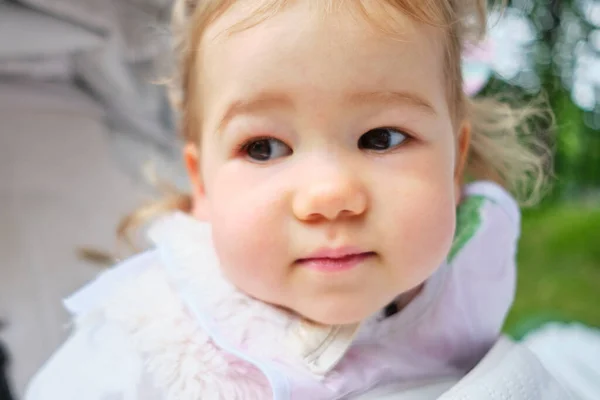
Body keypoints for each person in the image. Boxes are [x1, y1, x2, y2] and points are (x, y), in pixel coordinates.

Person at [25, 0, 565, 399]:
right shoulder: (142, 339)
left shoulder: (468, 278)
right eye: (263, 147)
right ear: (203, 186)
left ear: (453, 164)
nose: (329, 196)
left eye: (381, 138)